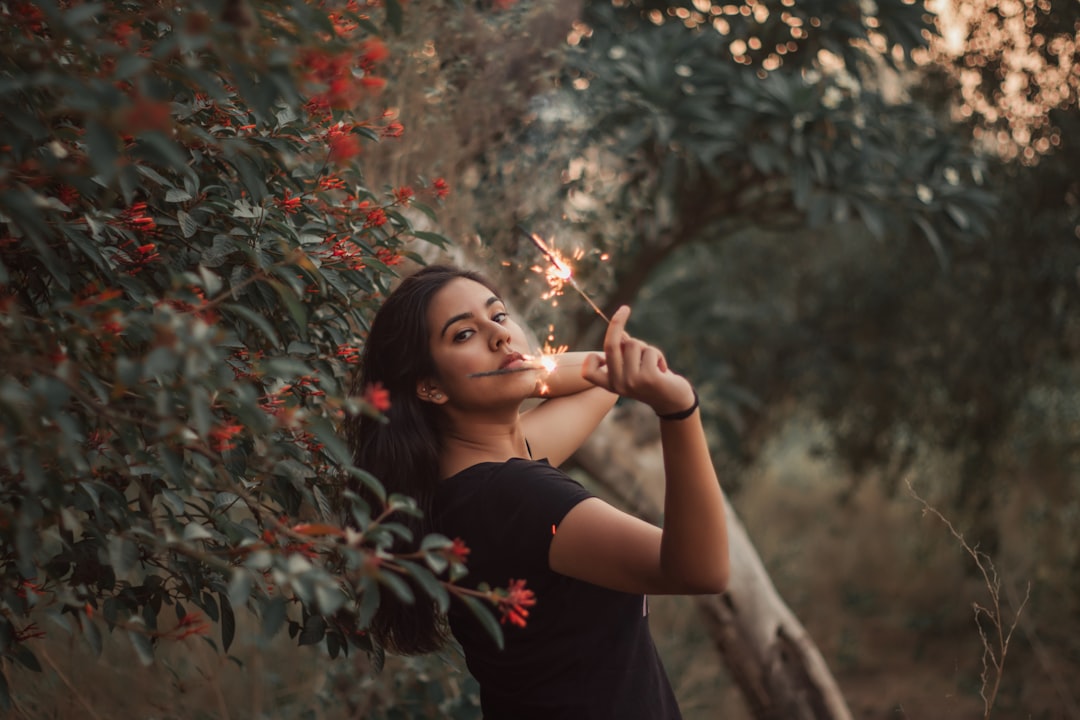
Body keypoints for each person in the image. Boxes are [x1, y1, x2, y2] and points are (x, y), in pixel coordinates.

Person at [346, 264, 729, 719]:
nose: (499, 337)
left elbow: (604, 373)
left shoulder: (470, 479)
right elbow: (699, 571)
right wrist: (680, 409)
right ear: (429, 387)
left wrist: (523, 364)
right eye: (464, 334)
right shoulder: (514, 495)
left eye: (500, 316)